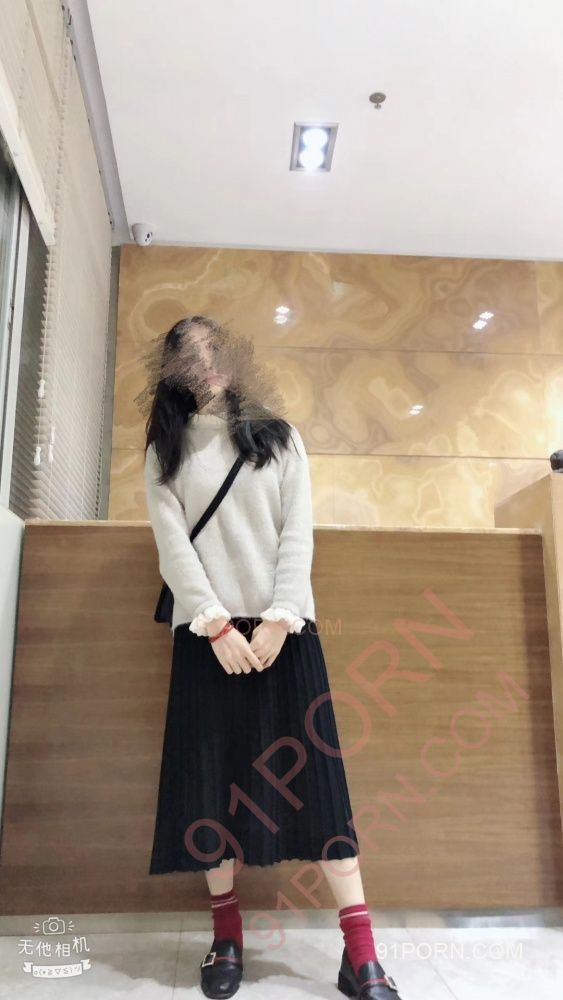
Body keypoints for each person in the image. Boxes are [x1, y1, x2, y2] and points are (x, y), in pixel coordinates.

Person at [138, 316, 403, 999]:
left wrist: (283, 618)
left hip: (286, 636)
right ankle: (226, 938)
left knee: (322, 792)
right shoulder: (165, 449)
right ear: (170, 371)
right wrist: (216, 625)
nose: (206, 363)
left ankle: (361, 955)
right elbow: (172, 546)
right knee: (212, 788)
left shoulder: (279, 437)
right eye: (189, 355)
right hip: (209, 640)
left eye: (214, 350)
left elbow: (296, 534)